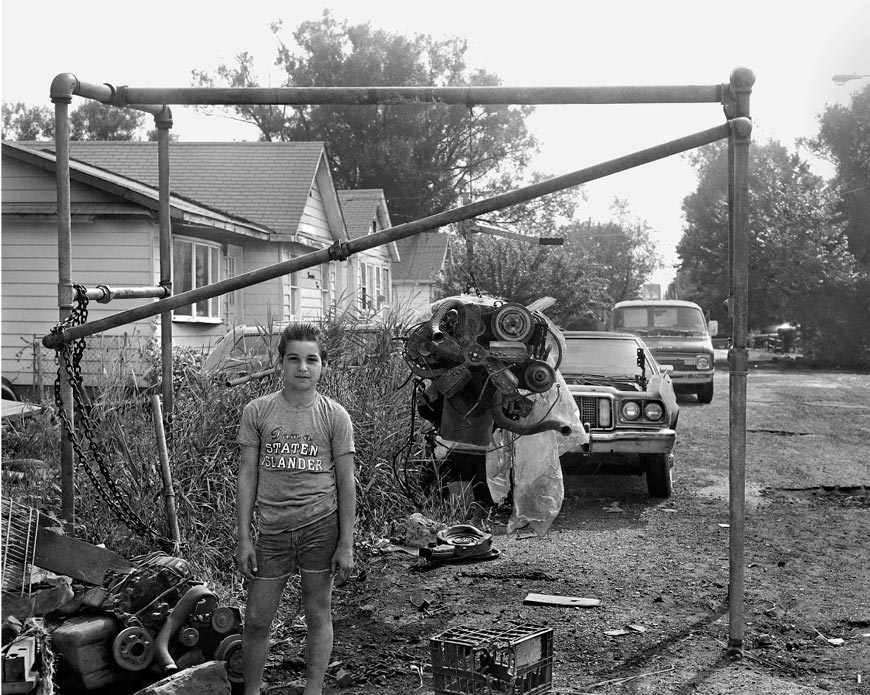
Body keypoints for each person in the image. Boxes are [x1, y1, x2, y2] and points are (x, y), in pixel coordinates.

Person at [235, 322, 356, 695]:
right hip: (272, 530)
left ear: (322, 366)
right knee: (256, 619)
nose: (303, 368)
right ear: (280, 364)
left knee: (317, 612)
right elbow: (247, 475)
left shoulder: (335, 416)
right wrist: (244, 537)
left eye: (312, 360)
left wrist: (346, 544)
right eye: (294, 359)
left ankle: (313, 690)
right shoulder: (258, 411)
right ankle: (252, 691)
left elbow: (346, 482)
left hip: (320, 526)